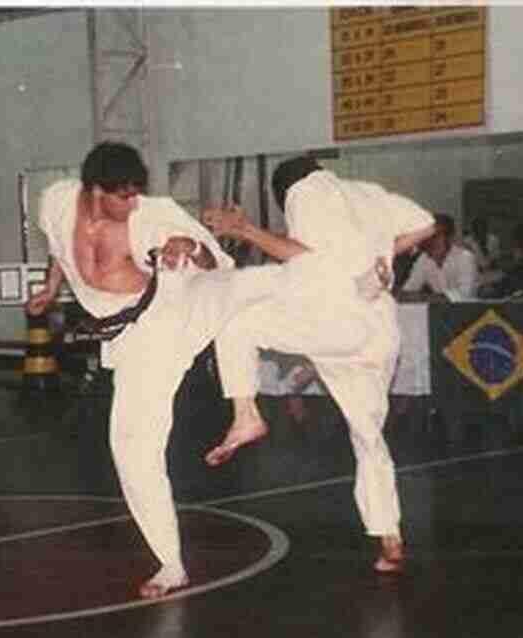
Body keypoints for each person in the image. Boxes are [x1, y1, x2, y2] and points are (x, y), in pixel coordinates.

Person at [28, 141, 286, 599]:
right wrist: (50, 288)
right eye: (121, 196)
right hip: (127, 338)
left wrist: (191, 249)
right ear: (93, 191)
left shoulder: (155, 214)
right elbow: (55, 247)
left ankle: (247, 410)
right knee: (129, 448)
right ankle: (172, 564)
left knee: (247, 288)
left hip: (170, 311)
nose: (132, 203)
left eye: (135, 193)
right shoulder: (55, 200)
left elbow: (216, 264)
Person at [201, 156, 436, 574]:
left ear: (285, 190)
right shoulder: (368, 193)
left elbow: (303, 254)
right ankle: (390, 538)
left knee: (238, 323)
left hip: (338, 323)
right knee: (368, 438)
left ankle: (245, 415)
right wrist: (380, 252)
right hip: (380, 331)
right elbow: (426, 224)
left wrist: (245, 229)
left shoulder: (306, 193)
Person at [399, 213, 478, 301]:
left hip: (468, 312)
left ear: (449, 238)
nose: (429, 241)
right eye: (426, 236)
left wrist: (426, 297)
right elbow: (407, 292)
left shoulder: (465, 258)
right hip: (438, 312)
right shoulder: (424, 259)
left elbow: (465, 295)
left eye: (435, 236)